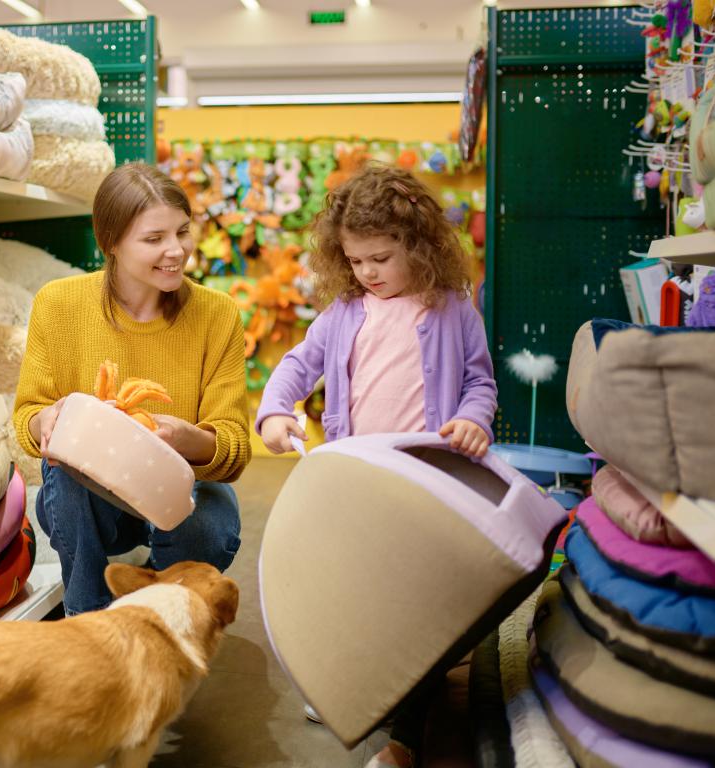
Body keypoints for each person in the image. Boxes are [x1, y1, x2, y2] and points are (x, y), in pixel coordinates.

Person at [256, 165, 498, 768]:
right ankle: (350, 689)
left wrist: (474, 420)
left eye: (381, 258)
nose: (367, 272)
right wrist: (274, 410)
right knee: (354, 590)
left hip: (427, 481)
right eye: (356, 260)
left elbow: (479, 382)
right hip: (357, 480)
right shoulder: (345, 311)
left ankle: (406, 740)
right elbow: (296, 363)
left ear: (418, 247)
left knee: (420, 604)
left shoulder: (451, 307)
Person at [12, 162, 250, 617]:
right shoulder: (59, 305)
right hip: (92, 496)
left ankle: (163, 618)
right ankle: (86, 619)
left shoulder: (217, 314)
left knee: (211, 529)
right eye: (154, 239)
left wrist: (186, 439)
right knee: (62, 478)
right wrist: (47, 421)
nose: (176, 250)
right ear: (112, 243)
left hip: (185, 490)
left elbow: (234, 447)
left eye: (182, 232)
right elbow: (27, 417)